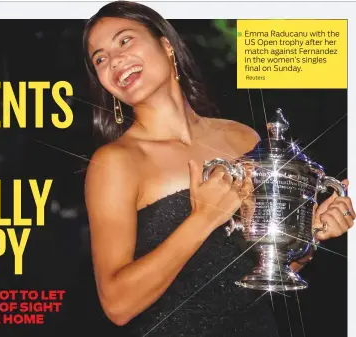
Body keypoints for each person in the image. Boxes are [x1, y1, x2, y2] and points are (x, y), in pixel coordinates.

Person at [82, 1, 355, 336]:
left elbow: (260, 271)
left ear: (166, 45)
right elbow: (117, 305)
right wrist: (203, 219)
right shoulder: (114, 163)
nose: (114, 60)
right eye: (100, 58)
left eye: (124, 40)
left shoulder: (242, 137)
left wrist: (308, 234)